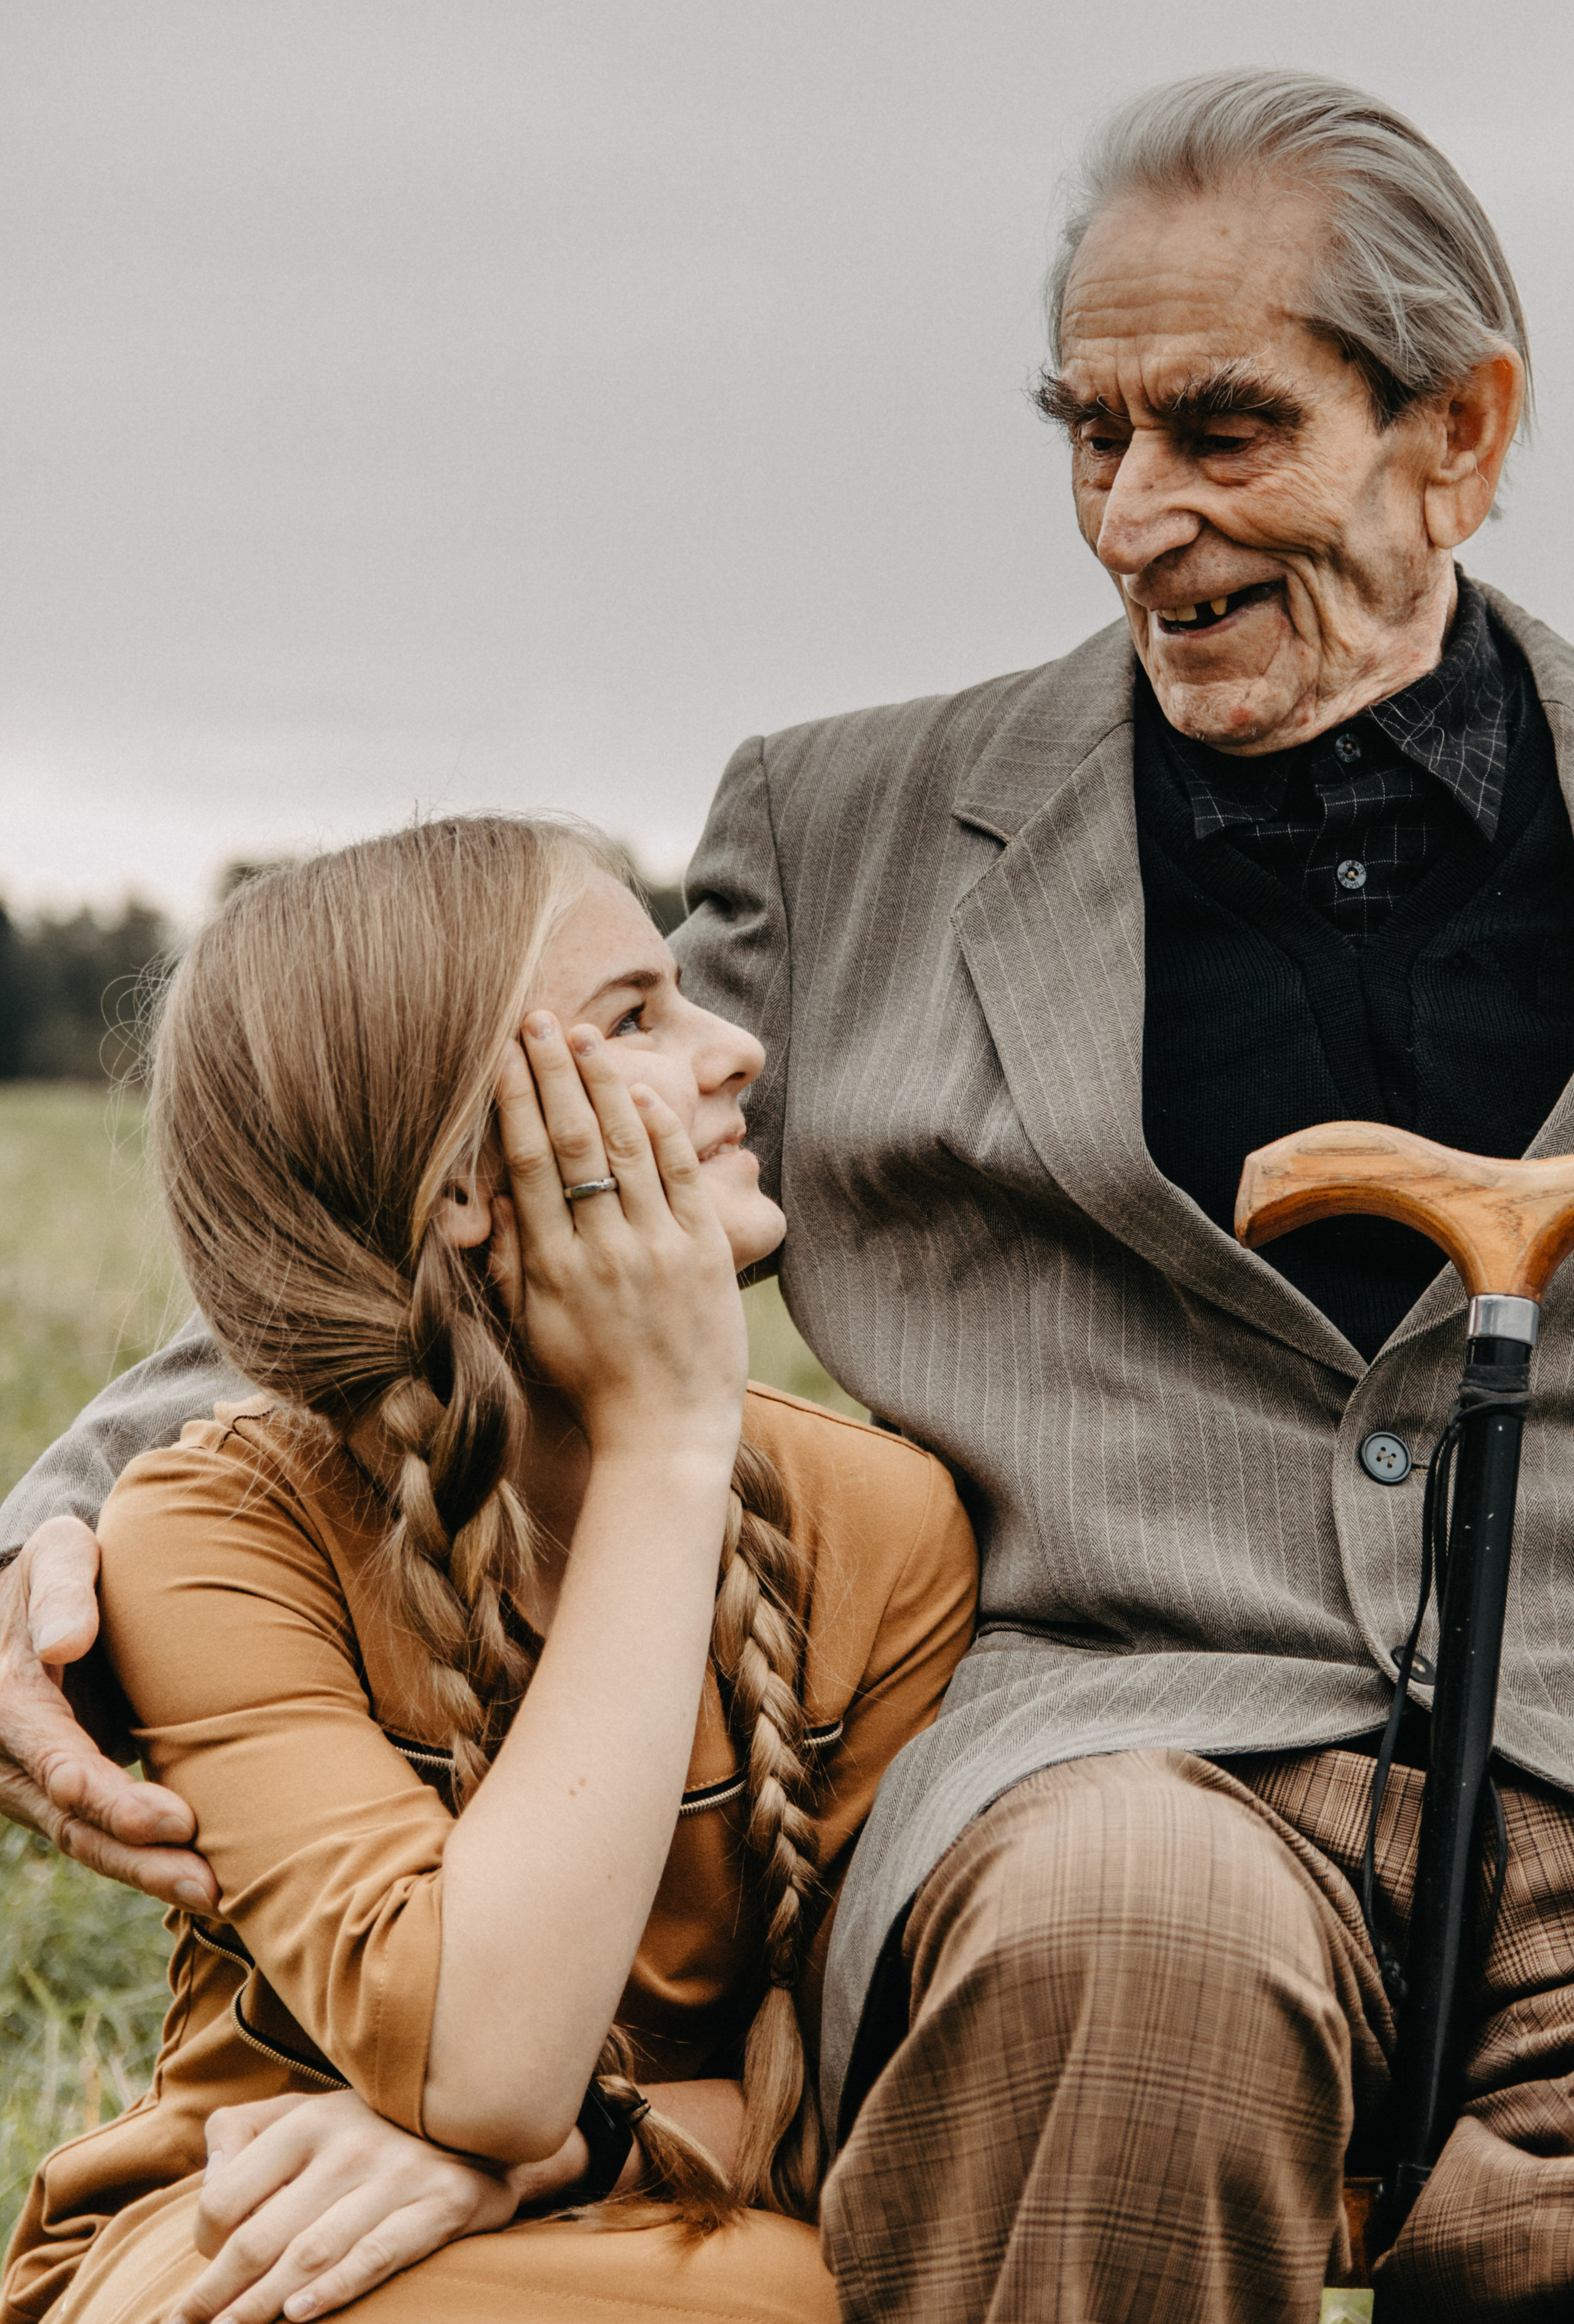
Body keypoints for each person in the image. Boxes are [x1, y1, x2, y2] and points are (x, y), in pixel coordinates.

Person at [6, 59, 1574, 2324]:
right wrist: (61, 1514)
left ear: (1461, 434)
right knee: (1125, 1937)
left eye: (1223, 434)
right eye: (1087, 435)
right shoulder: (851, 831)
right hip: (1117, 1775)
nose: (1136, 517)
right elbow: (456, 1155)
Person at [0, 817, 975, 2324]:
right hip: (256, 2225)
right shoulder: (215, 1534)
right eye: (637, 1019)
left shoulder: (883, 1523)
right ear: (463, 1180)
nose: (738, 1052)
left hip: (709, 2217)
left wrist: (575, 2150)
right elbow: (488, 2058)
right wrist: (662, 1440)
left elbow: (895, 2087)